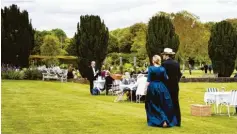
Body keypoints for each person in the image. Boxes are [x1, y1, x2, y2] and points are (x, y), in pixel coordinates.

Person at [145, 55, 177, 127]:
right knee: (163, 104)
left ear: (153, 60)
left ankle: (159, 120)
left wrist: (145, 89)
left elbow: (148, 80)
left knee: (153, 104)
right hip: (161, 87)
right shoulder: (162, 69)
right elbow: (166, 78)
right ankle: (165, 119)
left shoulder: (151, 68)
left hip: (153, 87)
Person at [161, 48, 182, 127]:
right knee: (176, 103)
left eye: (163, 55)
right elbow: (179, 74)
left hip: (166, 86)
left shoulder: (164, 64)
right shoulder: (176, 63)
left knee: (166, 104)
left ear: (166, 55)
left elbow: (163, 76)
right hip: (175, 86)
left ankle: (168, 121)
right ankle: (178, 121)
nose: (162, 56)